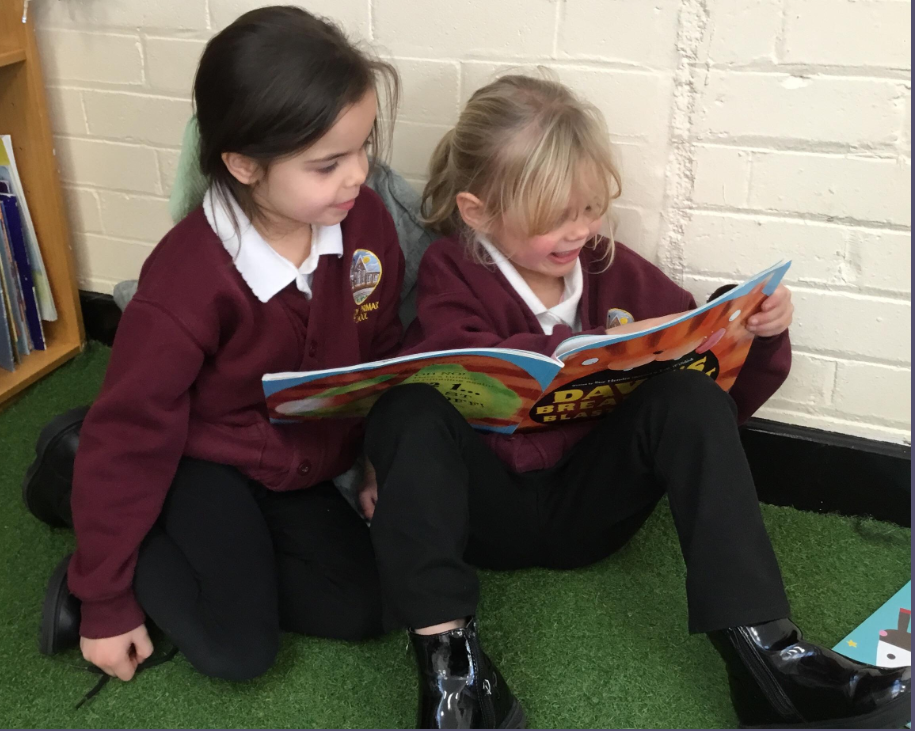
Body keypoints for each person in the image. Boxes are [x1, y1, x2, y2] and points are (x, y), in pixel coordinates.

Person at [359, 74, 911, 729]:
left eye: (588, 210)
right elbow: (449, 378)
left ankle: (768, 655)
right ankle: (455, 676)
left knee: (684, 394)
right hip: (489, 515)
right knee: (407, 409)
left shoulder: (608, 265)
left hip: (590, 506)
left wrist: (754, 329)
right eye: (551, 220)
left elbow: (710, 388)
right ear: (478, 212)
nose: (577, 232)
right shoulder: (453, 270)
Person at [23, 5, 405, 686]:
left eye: (363, 146)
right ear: (243, 165)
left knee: (373, 603)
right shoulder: (187, 281)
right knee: (238, 650)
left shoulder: (365, 221)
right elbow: (134, 433)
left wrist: (375, 463)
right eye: (328, 164)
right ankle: (75, 480)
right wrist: (106, 600)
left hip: (298, 467)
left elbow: (381, 356)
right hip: (197, 459)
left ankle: (156, 531)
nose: (358, 174)